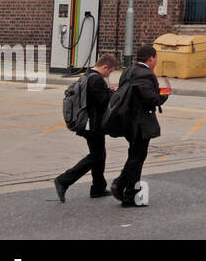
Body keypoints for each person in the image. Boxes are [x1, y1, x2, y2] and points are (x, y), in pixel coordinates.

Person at [53, 54, 120, 201]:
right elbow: (102, 101)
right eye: (110, 71)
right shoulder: (96, 79)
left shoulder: (87, 75)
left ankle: (98, 187)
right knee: (96, 155)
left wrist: (108, 91)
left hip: (88, 122)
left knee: (99, 154)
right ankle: (63, 180)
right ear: (105, 67)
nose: (109, 74)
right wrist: (113, 93)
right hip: (92, 124)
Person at [111, 45, 167, 208]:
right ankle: (127, 192)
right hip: (139, 123)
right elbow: (149, 98)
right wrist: (162, 97)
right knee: (137, 158)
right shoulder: (145, 74)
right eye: (155, 58)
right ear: (150, 58)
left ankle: (124, 187)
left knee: (135, 155)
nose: (156, 62)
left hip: (128, 121)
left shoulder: (128, 71)